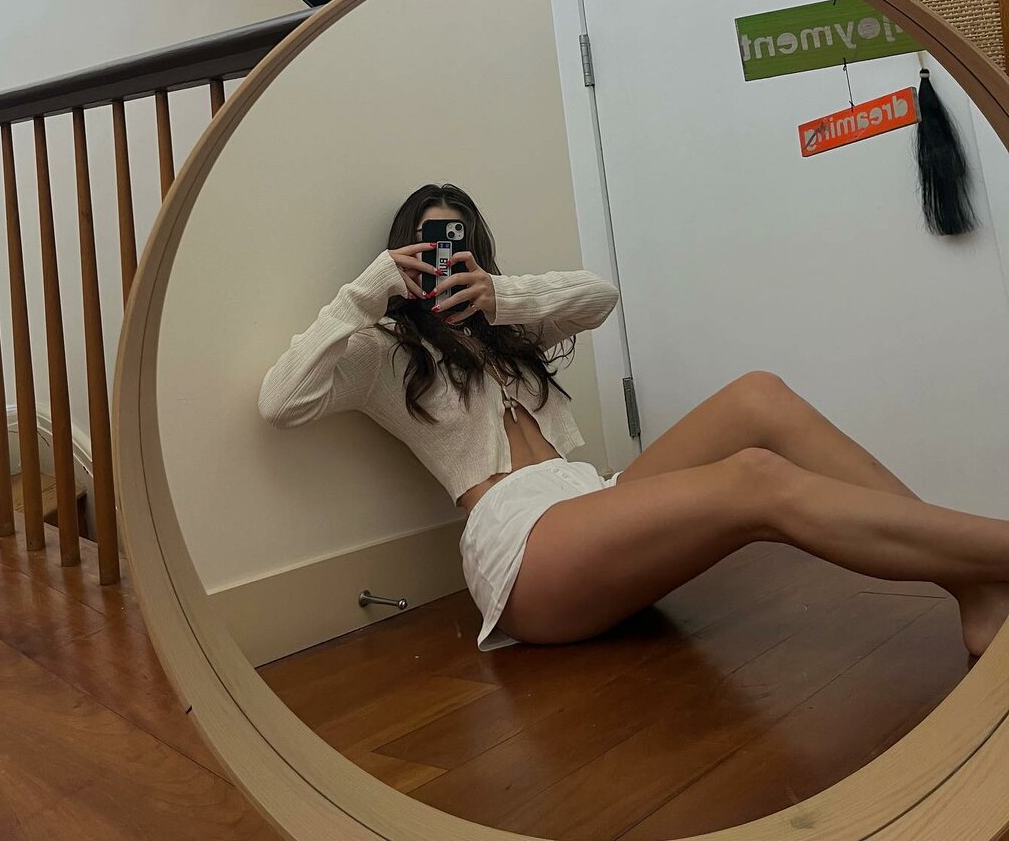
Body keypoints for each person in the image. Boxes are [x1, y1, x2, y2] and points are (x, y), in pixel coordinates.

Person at [259, 183, 1009, 657]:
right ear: (403, 256)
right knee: (755, 479)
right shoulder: (387, 353)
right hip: (523, 552)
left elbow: (599, 296)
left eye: (459, 244)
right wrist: (367, 291)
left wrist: (501, 296)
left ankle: (973, 585)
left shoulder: (510, 328)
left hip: (594, 503)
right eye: (430, 245)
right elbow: (281, 400)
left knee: (759, 395)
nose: (444, 259)